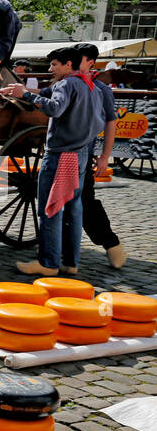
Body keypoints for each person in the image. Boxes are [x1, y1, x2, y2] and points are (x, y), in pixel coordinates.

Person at [0, 45, 98, 275]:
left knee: (50, 208)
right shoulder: (90, 86)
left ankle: (48, 263)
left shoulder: (66, 84)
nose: (50, 69)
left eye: (54, 65)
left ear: (68, 65)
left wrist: (27, 95)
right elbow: (98, 122)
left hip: (60, 154)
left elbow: (55, 109)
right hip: (80, 155)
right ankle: (71, 263)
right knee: (72, 209)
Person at [75, 43, 124, 268]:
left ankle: (111, 243)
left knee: (85, 200)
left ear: (91, 63)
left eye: (79, 60)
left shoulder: (101, 89)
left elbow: (110, 123)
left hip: (84, 153)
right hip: (60, 154)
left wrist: (105, 156)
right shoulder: (65, 82)